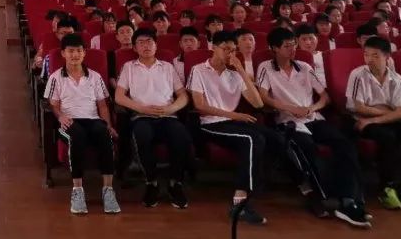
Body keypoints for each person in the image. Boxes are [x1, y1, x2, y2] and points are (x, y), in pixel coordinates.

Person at [255, 28, 369, 227]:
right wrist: (290, 108)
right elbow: (264, 97)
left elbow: (324, 97)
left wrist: (312, 108)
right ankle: (321, 196)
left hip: (313, 117)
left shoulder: (305, 67)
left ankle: (350, 199)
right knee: (307, 148)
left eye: (294, 45)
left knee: (344, 144)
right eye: (287, 46)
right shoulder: (266, 67)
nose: (293, 49)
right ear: (274, 48)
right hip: (288, 122)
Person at [187, 30, 267, 225]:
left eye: (233, 50)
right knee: (251, 139)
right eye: (226, 49)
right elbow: (200, 105)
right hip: (210, 123)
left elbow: (258, 104)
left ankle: (255, 187)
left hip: (232, 122)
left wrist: (241, 70)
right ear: (214, 48)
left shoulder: (235, 74)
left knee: (272, 137)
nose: (230, 54)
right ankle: (241, 201)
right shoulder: (199, 70)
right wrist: (235, 115)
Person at [346, 36, 401, 211]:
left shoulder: (397, 78)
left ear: (387, 57)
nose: (369, 59)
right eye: (366, 55)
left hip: (376, 120)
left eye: (375, 55)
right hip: (361, 119)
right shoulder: (358, 75)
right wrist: (388, 112)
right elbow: (360, 107)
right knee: (388, 138)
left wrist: (375, 117)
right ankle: (387, 187)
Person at [44, 33, 121, 215]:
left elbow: (102, 105)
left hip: (92, 119)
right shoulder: (56, 77)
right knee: (77, 136)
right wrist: (60, 116)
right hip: (70, 120)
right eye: (71, 51)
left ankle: (108, 189)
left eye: (79, 51)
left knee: (103, 133)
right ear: (63, 53)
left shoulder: (94, 77)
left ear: (84, 53)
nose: (75, 55)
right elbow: (53, 105)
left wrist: (108, 124)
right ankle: (77, 190)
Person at [114, 29, 191, 209]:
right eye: (141, 42)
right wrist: (142, 108)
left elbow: (183, 95)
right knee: (142, 136)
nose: (146, 45)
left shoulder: (167, 67)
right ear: (134, 48)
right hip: (141, 116)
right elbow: (119, 96)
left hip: (168, 116)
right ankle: (151, 182)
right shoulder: (129, 67)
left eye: (149, 41)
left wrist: (171, 108)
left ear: (156, 45)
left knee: (181, 136)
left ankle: (175, 183)